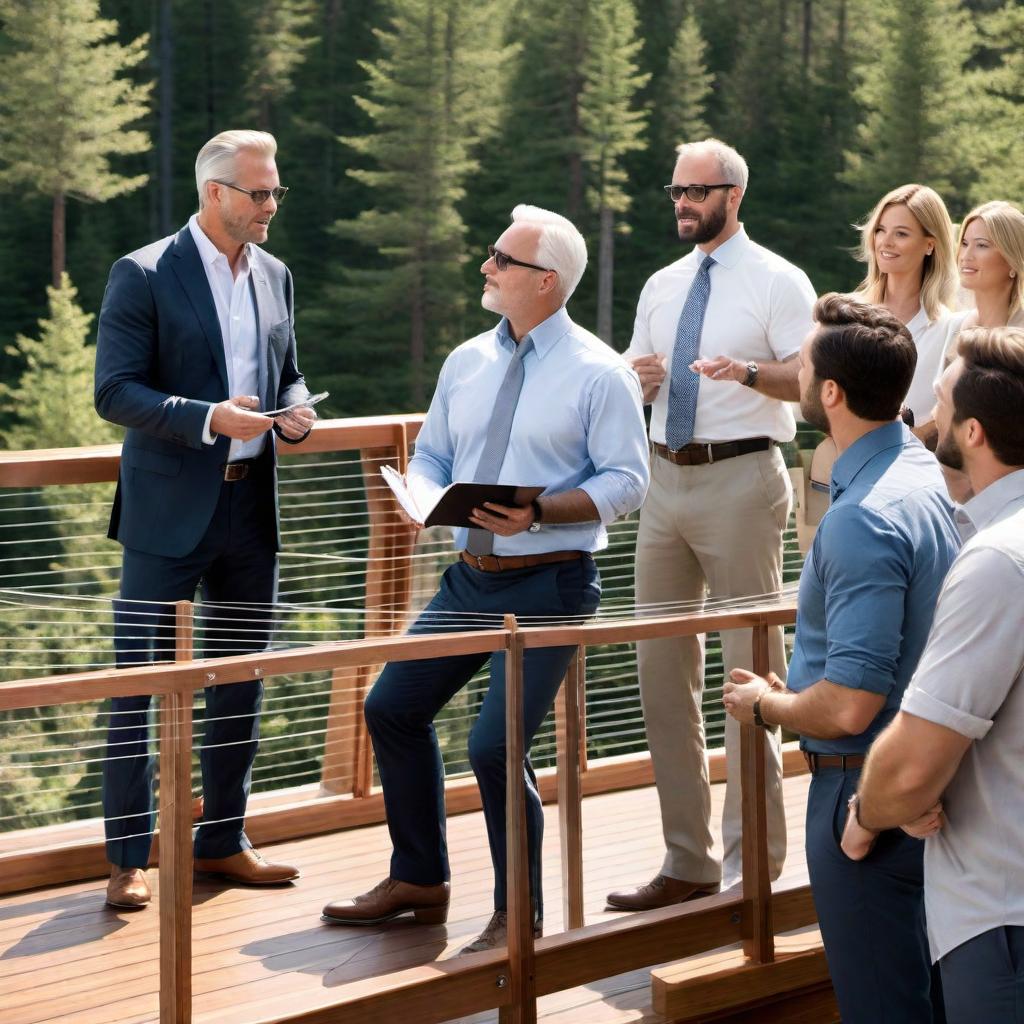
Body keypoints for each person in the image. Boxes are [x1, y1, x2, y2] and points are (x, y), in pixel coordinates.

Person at [321, 205, 649, 953]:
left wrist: (537, 513)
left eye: (501, 259)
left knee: (493, 747)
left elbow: (629, 481)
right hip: (467, 581)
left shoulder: (602, 373)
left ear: (546, 282)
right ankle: (421, 880)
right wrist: (420, 495)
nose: (486, 267)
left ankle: (518, 915)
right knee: (391, 709)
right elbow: (433, 452)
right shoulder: (466, 360)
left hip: (552, 584)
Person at [722, 293, 960, 1023]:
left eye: (802, 363)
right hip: (933, 787)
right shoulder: (928, 480)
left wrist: (767, 705)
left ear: (829, 391)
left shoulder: (860, 518)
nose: (792, 372)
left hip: (866, 798)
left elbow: (852, 701)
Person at [94, 130, 314, 909]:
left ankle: (223, 841)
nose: (271, 205)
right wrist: (209, 418)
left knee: (240, 681)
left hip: (251, 508)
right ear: (215, 192)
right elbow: (115, 392)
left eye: (276, 191)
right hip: (165, 510)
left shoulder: (277, 275)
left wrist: (294, 413)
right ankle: (128, 859)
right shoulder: (144, 272)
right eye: (260, 193)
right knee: (139, 686)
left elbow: (286, 374)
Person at [607, 138, 815, 911]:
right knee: (661, 677)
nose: (683, 203)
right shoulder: (662, 284)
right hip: (664, 479)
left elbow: (813, 376)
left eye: (697, 191)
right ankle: (686, 861)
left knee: (749, 675)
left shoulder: (777, 280)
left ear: (734, 193)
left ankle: (752, 867)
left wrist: (749, 373)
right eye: (675, 191)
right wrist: (639, 377)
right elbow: (633, 366)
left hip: (743, 480)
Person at [842, 326, 1024, 1024]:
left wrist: (866, 813)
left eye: (939, 405)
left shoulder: (996, 562)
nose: (924, 422)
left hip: (1002, 919)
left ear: (973, 432)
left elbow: (914, 768)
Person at [852, 183, 958, 438]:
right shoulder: (847, 314)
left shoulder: (950, 328)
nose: (885, 242)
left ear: (930, 245)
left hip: (923, 471)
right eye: (880, 230)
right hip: (848, 467)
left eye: (901, 234)